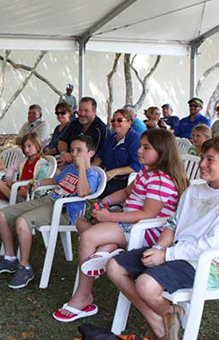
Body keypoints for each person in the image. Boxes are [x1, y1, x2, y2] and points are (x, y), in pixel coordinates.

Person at [106, 135, 219, 340]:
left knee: (146, 285)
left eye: (210, 160)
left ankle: (166, 318)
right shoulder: (194, 190)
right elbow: (173, 224)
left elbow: (213, 244)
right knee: (114, 266)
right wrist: (158, 249)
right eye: (202, 157)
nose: (202, 164)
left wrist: (166, 255)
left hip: (210, 264)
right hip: (177, 252)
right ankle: (162, 320)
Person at [53, 129, 187, 323]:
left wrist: (110, 217)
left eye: (146, 147)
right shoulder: (146, 172)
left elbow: (147, 214)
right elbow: (125, 192)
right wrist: (106, 202)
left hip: (145, 231)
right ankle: (108, 249)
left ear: (162, 152)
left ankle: (83, 295)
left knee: (88, 237)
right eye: (140, 146)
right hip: (128, 223)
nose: (139, 151)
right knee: (82, 222)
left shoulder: (160, 179)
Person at [0, 135, 100, 289]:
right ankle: (10, 257)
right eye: (72, 150)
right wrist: (37, 183)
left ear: (90, 153)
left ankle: (24, 267)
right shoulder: (70, 168)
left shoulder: (92, 174)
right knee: (2, 214)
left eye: (79, 150)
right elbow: (55, 181)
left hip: (64, 211)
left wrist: (81, 169)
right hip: (48, 200)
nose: (74, 154)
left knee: (22, 222)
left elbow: (83, 192)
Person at [94, 110, 141, 198]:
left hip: (125, 181)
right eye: (113, 120)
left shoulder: (135, 139)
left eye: (119, 120)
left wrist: (115, 172)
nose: (115, 123)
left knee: (97, 191)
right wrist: (90, 168)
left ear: (129, 122)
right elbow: (100, 157)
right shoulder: (112, 137)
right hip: (107, 177)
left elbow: (136, 166)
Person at [0, 132, 51, 202]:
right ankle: (13, 197)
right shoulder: (23, 160)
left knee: (3, 192)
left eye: (29, 146)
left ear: (37, 146)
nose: (26, 149)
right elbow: (11, 168)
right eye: (24, 147)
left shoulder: (42, 163)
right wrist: (9, 178)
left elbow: (40, 182)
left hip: (30, 193)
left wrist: (25, 188)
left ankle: (11, 197)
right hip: (19, 187)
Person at [58, 97, 108, 165]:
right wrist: (63, 153)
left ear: (94, 112)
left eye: (86, 111)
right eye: (80, 110)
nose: (82, 114)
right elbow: (62, 141)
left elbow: (100, 156)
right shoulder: (74, 123)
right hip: (69, 163)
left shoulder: (101, 129)